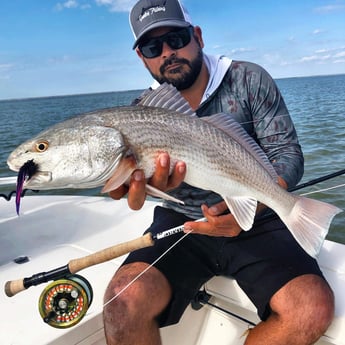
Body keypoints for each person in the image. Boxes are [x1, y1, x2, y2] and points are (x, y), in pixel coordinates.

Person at [103, 0, 334, 344]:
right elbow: (135, 199)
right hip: (182, 222)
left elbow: (287, 154)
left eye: (177, 39)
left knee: (310, 308)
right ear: (142, 57)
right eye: (153, 46)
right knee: (123, 301)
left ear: (197, 36)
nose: (168, 52)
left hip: (260, 214)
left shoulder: (248, 79)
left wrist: (257, 204)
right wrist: (131, 190)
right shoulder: (140, 113)